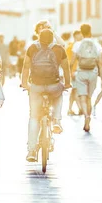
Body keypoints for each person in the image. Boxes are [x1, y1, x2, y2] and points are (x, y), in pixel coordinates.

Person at [21, 29, 71, 162]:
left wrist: (24, 83)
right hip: (53, 85)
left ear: (39, 37)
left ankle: (31, 150)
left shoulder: (32, 48)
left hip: (36, 86)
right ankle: (56, 120)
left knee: (33, 117)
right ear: (52, 38)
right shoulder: (59, 49)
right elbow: (66, 68)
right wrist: (67, 84)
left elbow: (26, 67)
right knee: (59, 94)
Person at [70, 24, 102, 132]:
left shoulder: (77, 44)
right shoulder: (97, 44)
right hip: (93, 72)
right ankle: (88, 117)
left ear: (81, 32)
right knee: (89, 97)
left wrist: (71, 72)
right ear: (90, 31)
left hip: (81, 72)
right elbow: (100, 63)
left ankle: (86, 115)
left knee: (82, 97)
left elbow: (72, 62)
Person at [66, 30, 83, 115]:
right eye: (80, 35)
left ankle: (70, 109)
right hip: (74, 71)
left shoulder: (74, 46)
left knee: (73, 91)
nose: (81, 37)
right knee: (76, 90)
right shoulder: (71, 47)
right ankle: (80, 108)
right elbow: (70, 61)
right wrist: (71, 72)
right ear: (75, 36)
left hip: (77, 71)